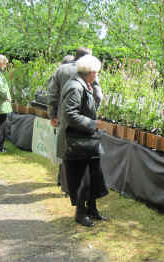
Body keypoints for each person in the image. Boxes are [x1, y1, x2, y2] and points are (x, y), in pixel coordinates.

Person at [59, 55, 108, 227]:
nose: (97, 76)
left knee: (94, 175)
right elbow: (70, 115)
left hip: (87, 139)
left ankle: (92, 209)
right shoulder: (75, 87)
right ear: (91, 72)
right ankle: (80, 213)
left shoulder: (84, 84)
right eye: (96, 72)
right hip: (77, 139)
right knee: (81, 178)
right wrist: (93, 124)